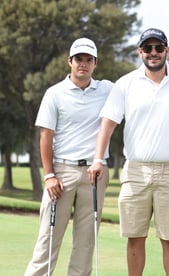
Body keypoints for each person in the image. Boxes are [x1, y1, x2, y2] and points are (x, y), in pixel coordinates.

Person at [87, 28, 169, 276]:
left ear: (167, 50)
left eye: (158, 48)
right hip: (136, 170)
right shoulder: (126, 83)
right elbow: (109, 122)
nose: (153, 53)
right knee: (135, 237)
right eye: (148, 48)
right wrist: (97, 159)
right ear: (140, 52)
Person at [25, 37, 112, 276]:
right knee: (48, 237)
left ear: (95, 63)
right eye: (78, 59)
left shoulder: (107, 90)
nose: (82, 64)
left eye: (88, 60)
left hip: (95, 173)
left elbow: (140, 82)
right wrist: (49, 175)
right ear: (69, 62)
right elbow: (46, 136)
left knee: (85, 242)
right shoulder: (55, 93)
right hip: (62, 173)